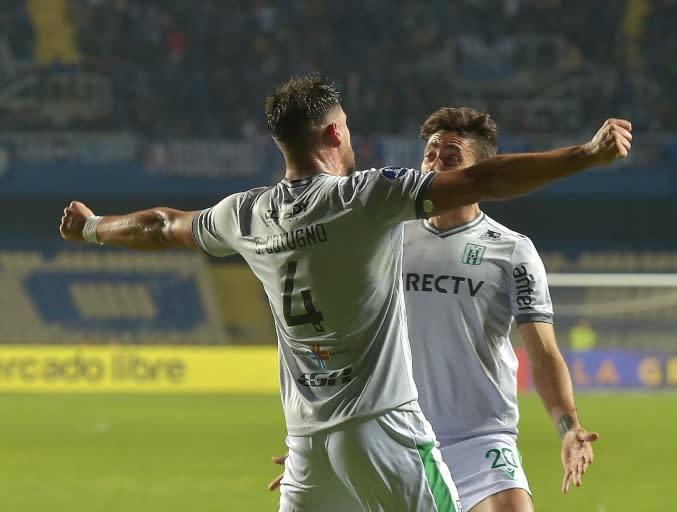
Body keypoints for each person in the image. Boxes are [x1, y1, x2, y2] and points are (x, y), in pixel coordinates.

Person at [60, 74, 632, 511]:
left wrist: (92, 227)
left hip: (310, 439)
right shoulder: (366, 201)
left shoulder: (246, 214)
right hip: (387, 429)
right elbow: (487, 179)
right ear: (335, 133)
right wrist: (587, 155)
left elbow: (162, 223)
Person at [269, 107, 602, 511]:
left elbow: (544, 354)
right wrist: (325, 439)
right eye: (429, 154)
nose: (434, 165)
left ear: (477, 173)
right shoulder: (386, 236)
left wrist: (568, 426)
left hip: (479, 440)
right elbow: (340, 332)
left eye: (451, 158)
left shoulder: (512, 251)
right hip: (393, 437)